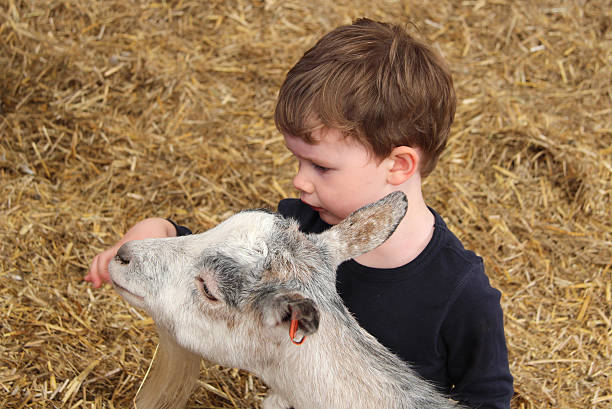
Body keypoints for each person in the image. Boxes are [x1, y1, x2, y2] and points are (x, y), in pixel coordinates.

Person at [86, 18, 513, 408]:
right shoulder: (304, 231)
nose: (299, 182)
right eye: (298, 161)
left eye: (321, 167)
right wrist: (162, 231)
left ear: (398, 165)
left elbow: (488, 394)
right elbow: (228, 266)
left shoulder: (461, 291)